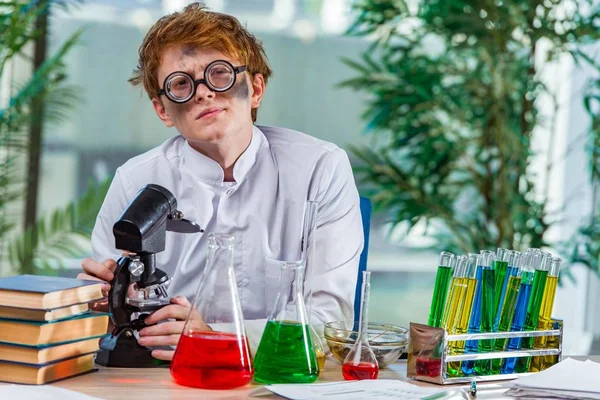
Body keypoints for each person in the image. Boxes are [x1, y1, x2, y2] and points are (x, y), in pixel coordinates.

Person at [78, 2, 363, 361]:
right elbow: (107, 320)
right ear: (163, 110)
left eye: (219, 74)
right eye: (181, 84)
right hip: (162, 380)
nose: (203, 92)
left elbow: (330, 324)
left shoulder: (320, 169)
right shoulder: (135, 180)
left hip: (281, 379)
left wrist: (211, 337)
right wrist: (98, 304)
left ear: (256, 89)